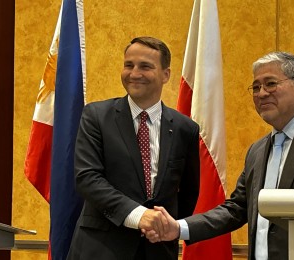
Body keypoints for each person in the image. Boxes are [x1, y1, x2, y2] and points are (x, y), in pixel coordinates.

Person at [145, 51, 294, 260]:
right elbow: (236, 209)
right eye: (255, 87)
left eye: (271, 83)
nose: (261, 93)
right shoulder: (257, 150)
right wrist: (179, 228)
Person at [67, 36, 200, 260]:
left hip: (157, 251)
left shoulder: (185, 129)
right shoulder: (96, 116)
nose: (134, 73)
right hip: (99, 250)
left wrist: (162, 226)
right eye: (129, 65)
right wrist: (139, 216)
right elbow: (88, 178)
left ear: (165, 74)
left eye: (145, 66)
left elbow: (188, 193)